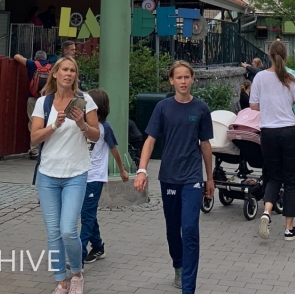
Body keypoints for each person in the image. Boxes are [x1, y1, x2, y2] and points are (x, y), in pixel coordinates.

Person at [134, 61, 214, 293]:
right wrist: (142, 170)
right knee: (173, 229)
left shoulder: (201, 109)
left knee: (189, 229)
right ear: (171, 80)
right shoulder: (163, 107)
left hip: (192, 177)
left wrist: (209, 178)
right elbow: (150, 140)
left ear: (192, 80)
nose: (182, 81)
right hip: (169, 176)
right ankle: (178, 264)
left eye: (186, 77)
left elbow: (206, 145)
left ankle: (188, 287)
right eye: (178, 77)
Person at [31, 56, 101, 294]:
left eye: (72, 70)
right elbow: (34, 138)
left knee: (68, 230)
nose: (68, 74)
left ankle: (77, 274)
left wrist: (81, 124)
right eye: (64, 70)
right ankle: (61, 280)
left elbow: (96, 136)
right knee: (53, 232)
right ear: (55, 74)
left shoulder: (85, 101)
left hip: (76, 173)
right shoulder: (44, 103)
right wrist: (54, 125)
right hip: (48, 174)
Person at [251, 40, 295, 241]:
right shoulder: (291, 78)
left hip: (268, 132)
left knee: (273, 176)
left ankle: (266, 211)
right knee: (290, 180)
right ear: (286, 55)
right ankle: (289, 229)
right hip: (289, 132)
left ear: (269, 55)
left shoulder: (259, 77)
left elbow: (253, 106)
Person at [80, 89, 129, 264]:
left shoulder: (105, 128)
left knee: (86, 215)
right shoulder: (82, 125)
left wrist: (122, 170)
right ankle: (98, 246)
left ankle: (79, 253)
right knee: (88, 214)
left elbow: (114, 149)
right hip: (79, 176)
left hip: (95, 178)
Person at [14, 49, 53, 158]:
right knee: (48, 121)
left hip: (33, 98)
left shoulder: (32, 64)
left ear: (36, 58)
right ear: (45, 58)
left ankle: (34, 150)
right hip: (47, 98)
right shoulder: (51, 66)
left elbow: (16, 56)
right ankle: (46, 148)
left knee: (33, 122)